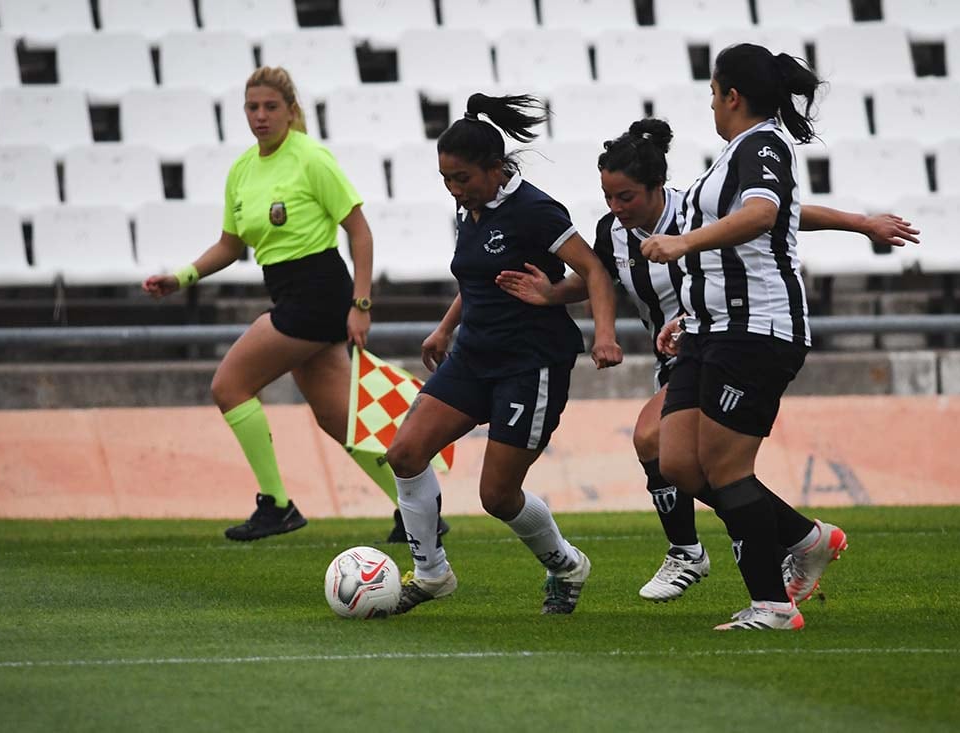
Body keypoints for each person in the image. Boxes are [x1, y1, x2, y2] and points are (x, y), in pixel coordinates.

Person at [495, 118, 919, 604]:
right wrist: (552, 294)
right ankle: (804, 538)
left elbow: (783, 214)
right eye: (609, 198)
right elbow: (599, 279)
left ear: (657, 186)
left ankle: (689, 552)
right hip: (681, 355)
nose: (616, 208)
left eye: (626, 197)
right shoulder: (613, 231)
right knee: (691, 468)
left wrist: (863, 225)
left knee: (653, 439)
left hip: (721, 343)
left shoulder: (696, 212)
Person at [638, 43, 868, 631]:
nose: (711, 104)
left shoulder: (763, 144)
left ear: (732, 96)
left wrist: (683, 244)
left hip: (755, 329)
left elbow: (767, 214)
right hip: (707, 331)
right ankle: (805, 538)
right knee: (679, 463)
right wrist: (686, 310)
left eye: (713, 93)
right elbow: (779, 214)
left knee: (724, 467)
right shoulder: (732, 155)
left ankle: (770, 605)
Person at [383, 93, 623, 615]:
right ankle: (431, 575)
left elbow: (596, 271)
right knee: (404, 453)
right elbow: (481, 278)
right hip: (473, 355)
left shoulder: (535, 210)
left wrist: (603, 334)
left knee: (497, 496)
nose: (453, 188)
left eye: (462, 177)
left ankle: (566, 565)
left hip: (529, 364)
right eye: (446, 178)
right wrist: (445, 328)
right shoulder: (471, 206)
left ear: (496, 169)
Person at [142, 66, 375, 542]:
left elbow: (360, 232)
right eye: (253, 107)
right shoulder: (243, 170)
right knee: (337, 416)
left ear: (291, 111)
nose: (261, 116)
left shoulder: (311, 158)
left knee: (230, 385)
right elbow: (230, 246)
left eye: (271, 107)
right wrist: (181, 277)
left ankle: (277, 505)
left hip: (318, 290)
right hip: (289, 290)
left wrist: (362, 304)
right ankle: (417, 504)